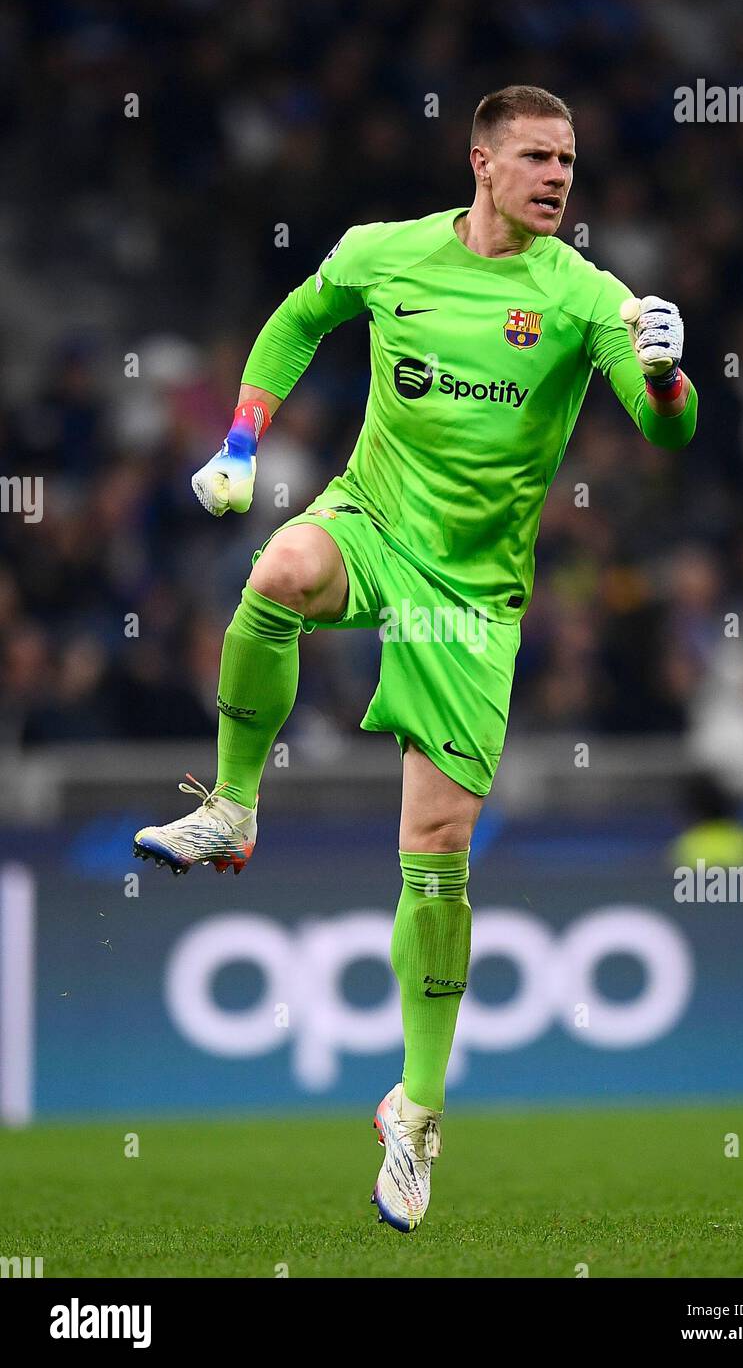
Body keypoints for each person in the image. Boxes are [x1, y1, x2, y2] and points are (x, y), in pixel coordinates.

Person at [133, 84, 698, 1232]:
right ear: (480, 161)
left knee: (435, 849)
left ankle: (416, 1109)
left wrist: (666, 374)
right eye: (537, 157)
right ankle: (234, 806)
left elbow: (664, 433)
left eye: (570, 162)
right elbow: (299, 318)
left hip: (474, 597)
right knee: (278, 573)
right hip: (374, 522)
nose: (557, 177)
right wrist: (241, 439)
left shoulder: (583, 294)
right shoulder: (383, 253)